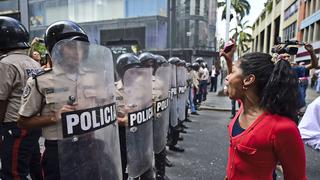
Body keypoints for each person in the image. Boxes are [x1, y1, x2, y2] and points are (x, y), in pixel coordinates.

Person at [18, 20, 122, 180]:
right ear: (55, 48)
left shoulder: (93, 77)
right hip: (58, 150)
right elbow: (23, 121)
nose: (76, 52)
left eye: (80, 47)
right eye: (70, 46)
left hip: (90, 146)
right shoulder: (41, 81)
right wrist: (53, 117)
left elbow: (107, 111)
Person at [224, 52, 306, 179]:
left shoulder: (282, 128)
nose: (227, 78)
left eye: (232, 72)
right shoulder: (244, 106)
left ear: (248, 80)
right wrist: (228, 58)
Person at [0, 16, 43, 180]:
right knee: (34, 167)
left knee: (12, 173)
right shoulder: (34, 63)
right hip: (33, 123)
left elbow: (1, 99)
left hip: (14, 125)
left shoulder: (6, 63)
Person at [115, 53, 155, 180]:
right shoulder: (111, 90)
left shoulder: (143, 89)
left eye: (137, 71)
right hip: (121, 136)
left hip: (140, 135)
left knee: (145, 170)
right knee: (121, 171)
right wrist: (122, 121)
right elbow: (104, 119)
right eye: (131, 71)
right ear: (122, 72)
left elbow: (149, 111)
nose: (135, 74)